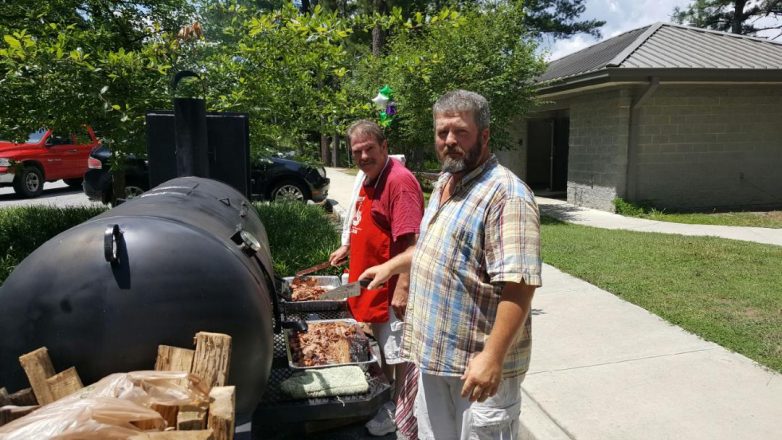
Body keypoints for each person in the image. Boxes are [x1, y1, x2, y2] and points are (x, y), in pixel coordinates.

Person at [360, 90, 542, 439]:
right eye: (442, 132)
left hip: (476, 370)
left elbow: (520, 286)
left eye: (461, 132)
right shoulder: (446, 182)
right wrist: (392, 267)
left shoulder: (507, 195)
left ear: (484, 136)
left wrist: (492, 358)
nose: (449, 141)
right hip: (434, 356)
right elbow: (433, 247)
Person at [328, 120, 424, 437]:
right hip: (371, 284)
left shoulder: (400, 182)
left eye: (370, 148)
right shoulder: (370, 178)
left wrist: (404, 290)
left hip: (392, 291)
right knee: (382, 353)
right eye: (358, 151)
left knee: (400, 359)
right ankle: (386, 404)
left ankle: (398, 415)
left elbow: (413, 244)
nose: (364, 155)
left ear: (384, 146)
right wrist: (348, 248)